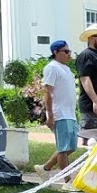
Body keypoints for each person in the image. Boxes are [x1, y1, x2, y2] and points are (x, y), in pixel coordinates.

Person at [40, 40, 78, 175]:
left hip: (70, 114)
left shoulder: (66, 69)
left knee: (72, 146)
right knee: (63, 149)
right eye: (66, 51)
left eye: (69, 51)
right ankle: (67, 179)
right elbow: (47, 92)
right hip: (60, 114)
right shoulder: (52, 68)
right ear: (56, 52)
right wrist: (50, 115)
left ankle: (45, 168)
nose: (69, 54)